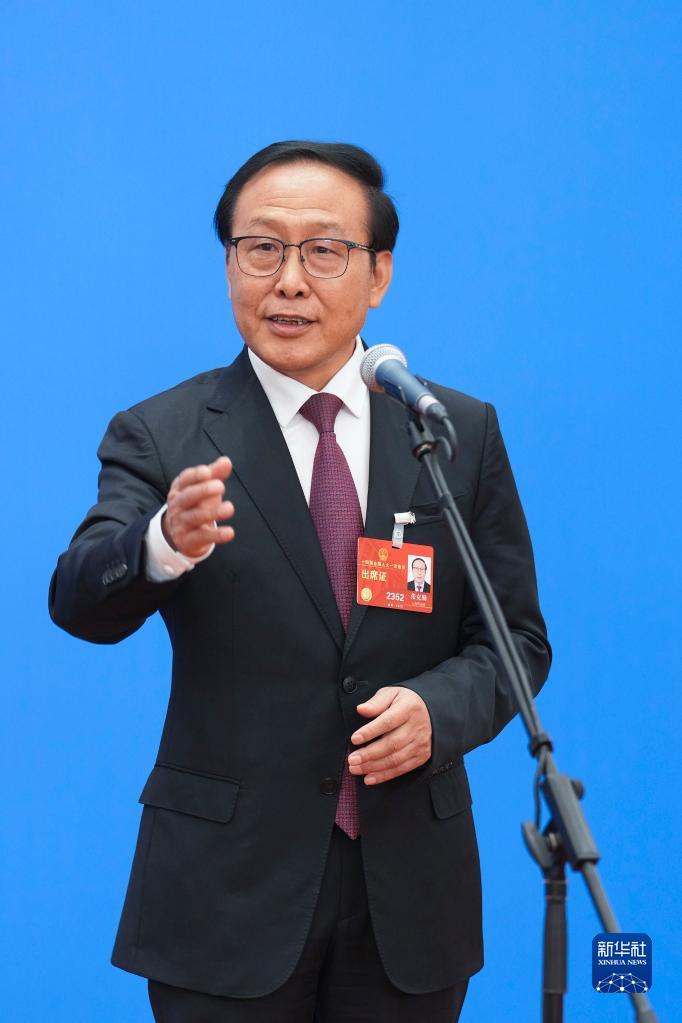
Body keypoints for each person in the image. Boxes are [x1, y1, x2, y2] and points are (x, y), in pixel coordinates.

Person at [48, 140, 551, 1022]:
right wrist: (161, 542)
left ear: (378, 273)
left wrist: (438, 711)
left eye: (323, 250)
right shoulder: (164, 433)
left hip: (409, 890)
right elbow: (79, 596)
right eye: (261, 249)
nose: (288, 281)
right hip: (226, 890)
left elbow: (515, 638)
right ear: (229, 265)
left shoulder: (450, 431)